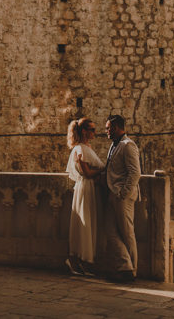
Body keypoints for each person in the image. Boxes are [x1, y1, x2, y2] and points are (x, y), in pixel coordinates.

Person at [102, 114, 141, 282]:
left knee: (127, 233)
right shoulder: (114, 145)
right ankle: (125, 267)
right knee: (110, 231)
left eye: (108, 128)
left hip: (122, 196)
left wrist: (123, 193)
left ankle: (132, 271)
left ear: (117, 128)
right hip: (113, 194)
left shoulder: (128, 145)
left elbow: (135, 172)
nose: (106, 131)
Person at [65, 117, 103, 275]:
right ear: (84, 131)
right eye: (92, 129)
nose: (95, 132)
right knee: (84, 224)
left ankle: (81, 262)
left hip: (89, 189)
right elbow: (87, 173)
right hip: (86, 188)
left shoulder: (85, 148)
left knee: (88, 224)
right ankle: (78, 261)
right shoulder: (80, 149)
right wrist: (102, 170)